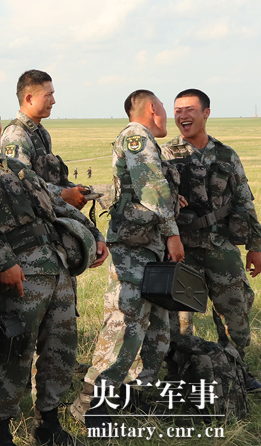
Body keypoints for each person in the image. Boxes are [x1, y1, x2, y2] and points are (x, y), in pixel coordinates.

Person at [0, 96, 108, 446]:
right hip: (18, 277)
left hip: (55, 268)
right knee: (14, 355)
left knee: (60, 349)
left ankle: (48, 424)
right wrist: (1, 266)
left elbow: (57, 202)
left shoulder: (16, 167)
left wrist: (93, 234)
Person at [70, 90, 184, 427]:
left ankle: (134, 396)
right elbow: (151, 188)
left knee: (157, 328)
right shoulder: (137, 136)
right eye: (163, 107)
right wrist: (173, 232)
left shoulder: (148, 142)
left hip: (149, 247)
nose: (167, 115)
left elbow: (149, 188)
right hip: (135, 248)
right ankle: (91, 403)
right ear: (151, 108)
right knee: (125, 324)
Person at [160, 89, 261, 391]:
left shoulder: (226, 155)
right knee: (179, 317)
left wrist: (256, 246)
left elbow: (244, 200)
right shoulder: (165, 155)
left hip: (221, 246)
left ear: (206, 113)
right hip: (182, 249)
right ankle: (180, 375)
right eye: (177, 110)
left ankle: (237, 370)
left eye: (189, 109)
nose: (182, 116)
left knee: (235, 309)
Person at [1, 70, 89, 209]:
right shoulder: (16, 135)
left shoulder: (40, 133)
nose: (53, 101)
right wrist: (63, 193)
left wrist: (73, 190)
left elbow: (48, 179)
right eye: (48, 95)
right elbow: (21, 184)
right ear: (29, 99)